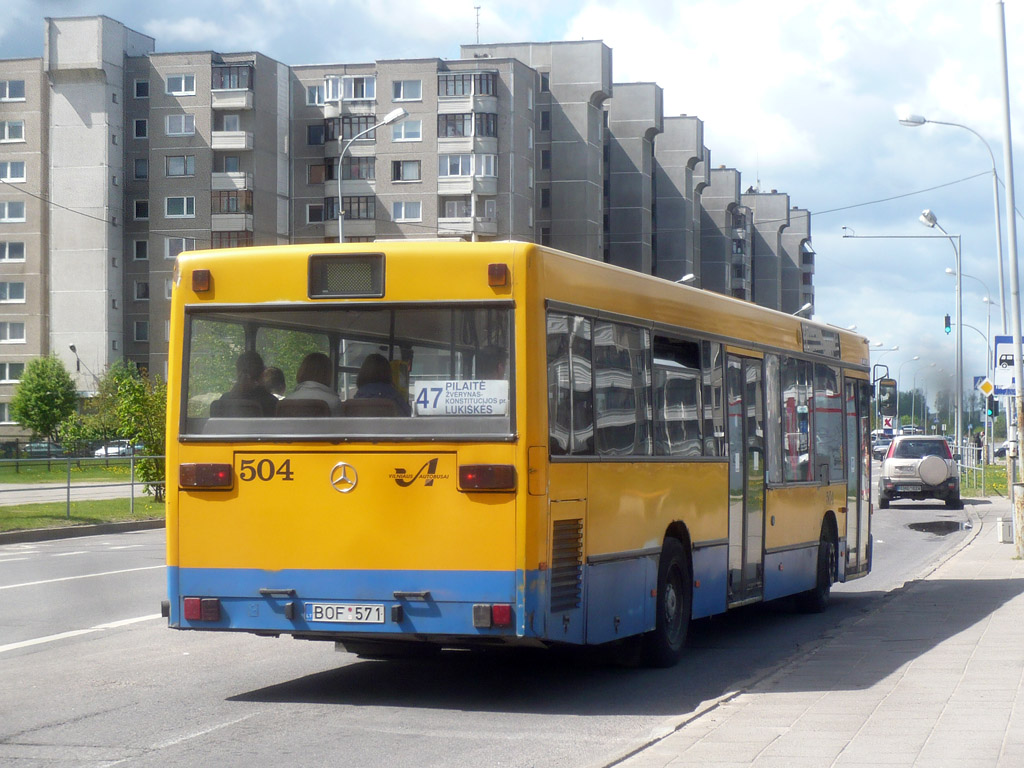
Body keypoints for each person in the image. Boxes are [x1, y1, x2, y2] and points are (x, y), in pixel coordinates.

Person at [214, 350, 278, 416]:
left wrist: (233, 391)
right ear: (262, 374)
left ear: (238, 373)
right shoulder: (271, 402)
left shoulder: (224, 402)